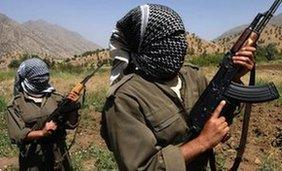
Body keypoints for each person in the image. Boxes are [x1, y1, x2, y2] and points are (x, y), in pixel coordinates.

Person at [101, 4, 256, 170]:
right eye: (170, 38)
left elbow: (216, 112)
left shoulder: (192, 75)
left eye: (180, 35)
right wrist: (202, 142)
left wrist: (234, 77)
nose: (179, 43)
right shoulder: (124, 99)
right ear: (148, 44)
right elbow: (143, 167)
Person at [6, 58, 81, 171]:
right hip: (34, 158)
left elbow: (71, 124)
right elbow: (17, 135)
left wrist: (73, 106)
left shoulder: (56, 98)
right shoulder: (15, 104)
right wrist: (42, 133)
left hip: (59, 155)